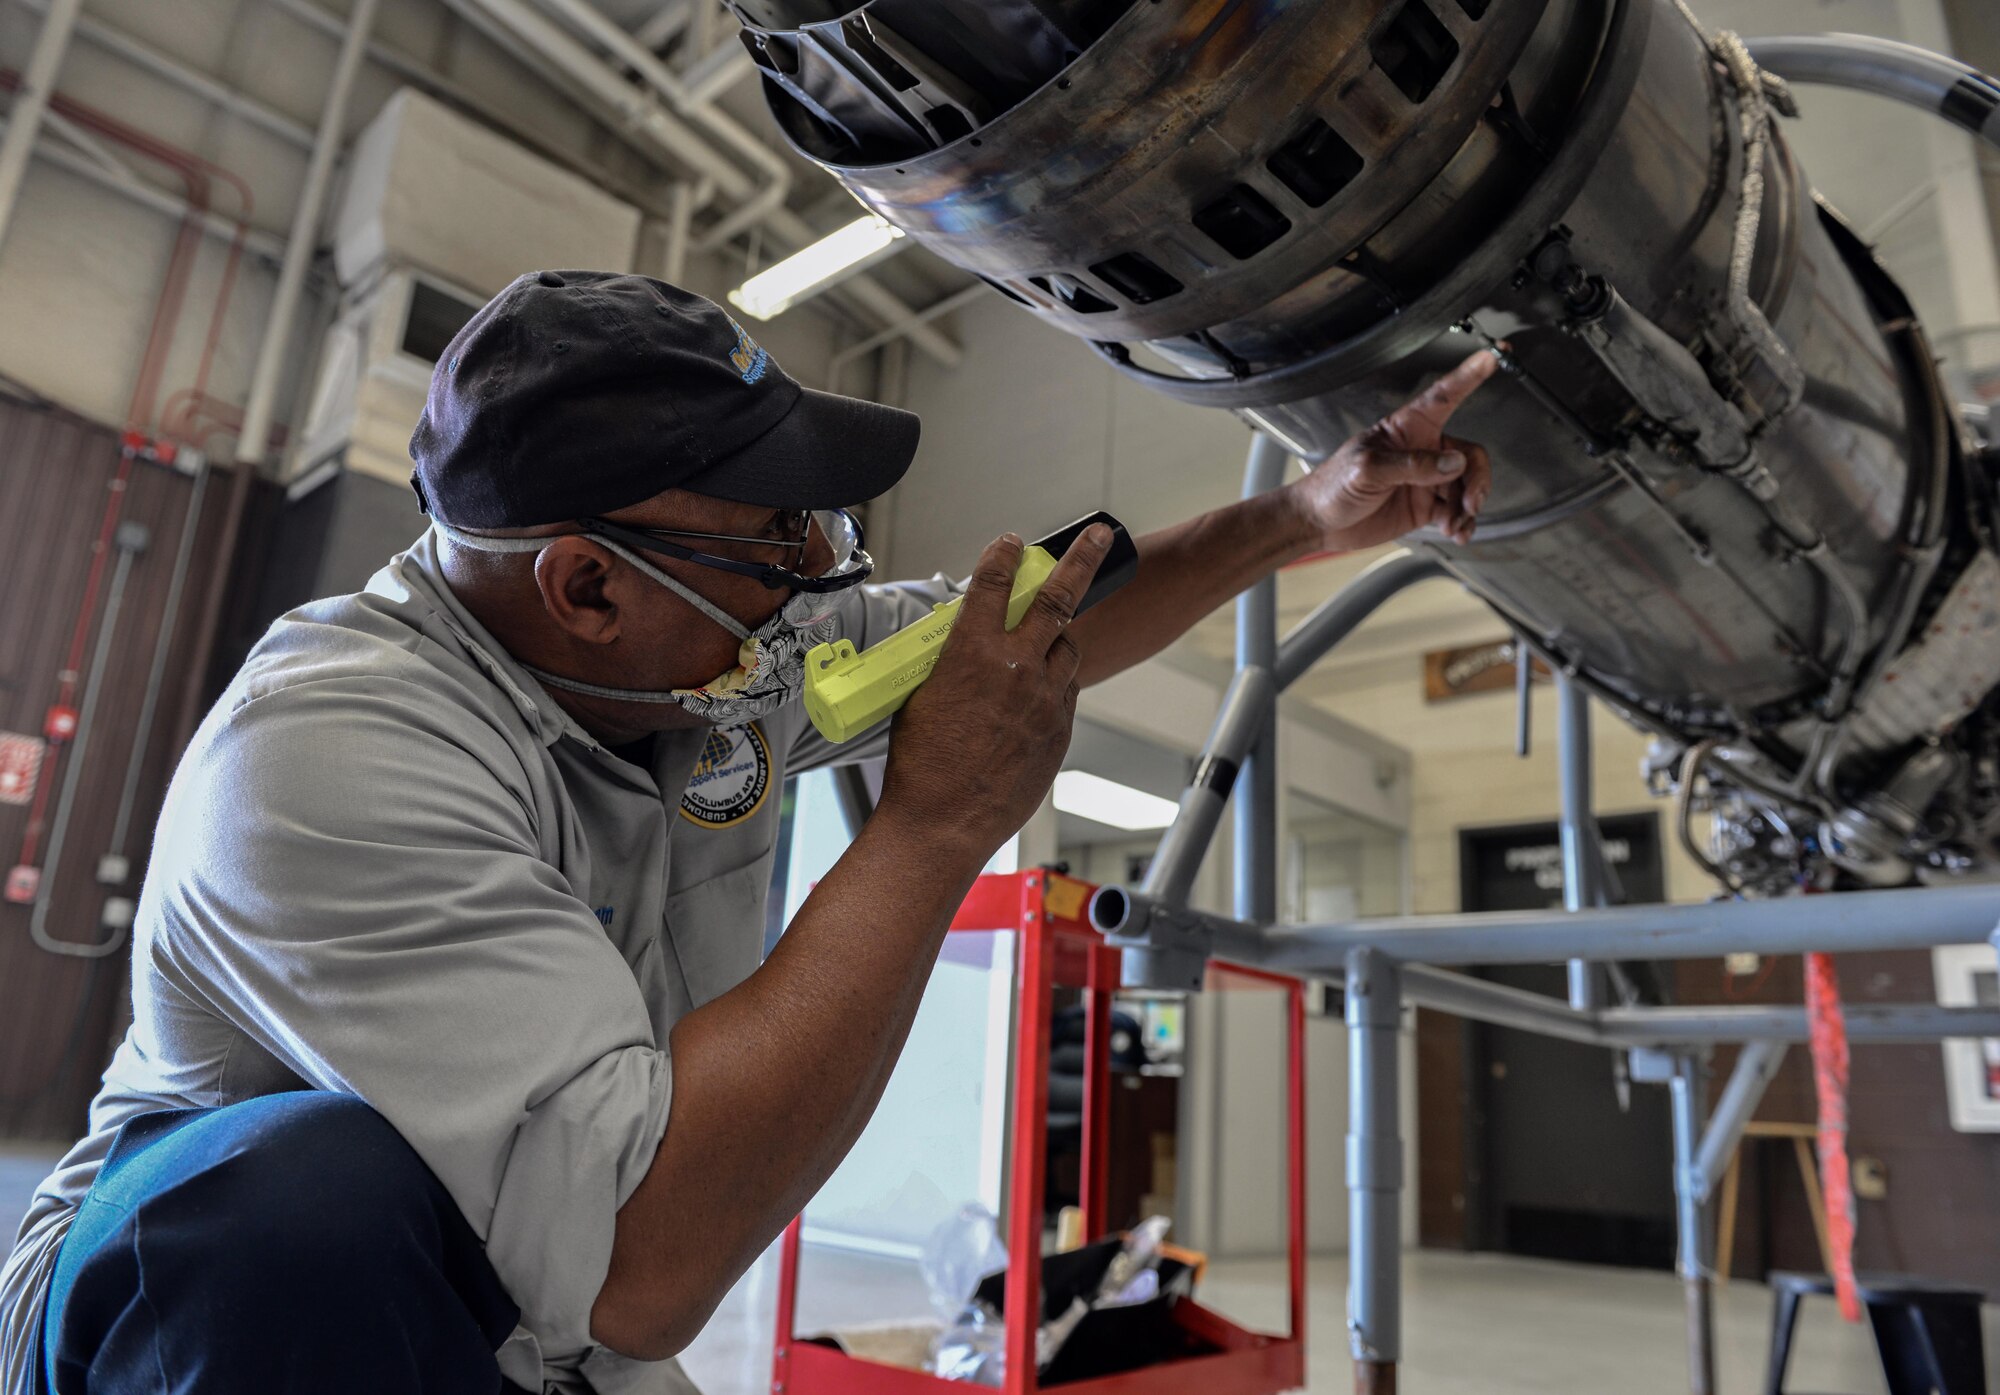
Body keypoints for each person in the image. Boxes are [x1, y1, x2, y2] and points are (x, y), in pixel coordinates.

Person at [0, 270, 1496, 1395]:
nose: (819, 575)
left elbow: (1030, 623)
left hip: (542, 1321)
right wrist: (932, 831)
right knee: (298, 1203)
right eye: (778, 538)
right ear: (586, 586)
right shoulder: (331, 755)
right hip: (225, 1322)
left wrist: (1304, 515)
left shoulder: (720, 655)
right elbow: (647, 1267)